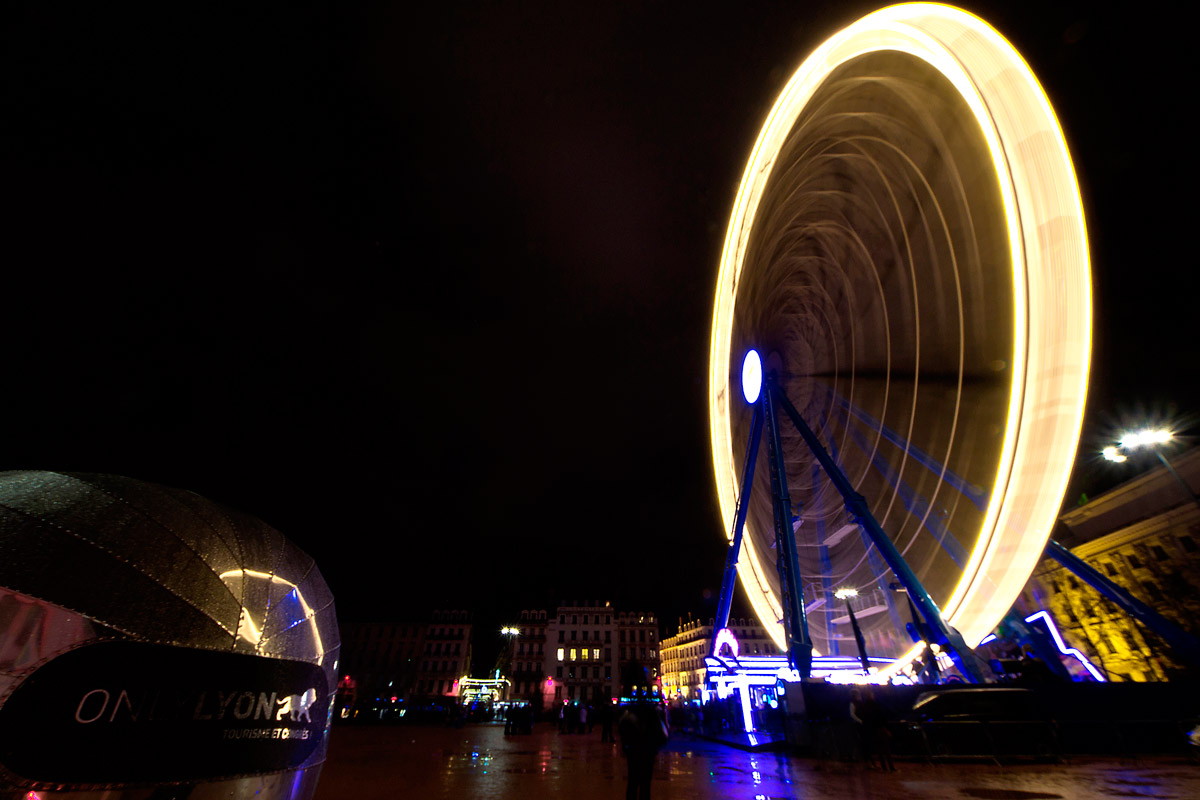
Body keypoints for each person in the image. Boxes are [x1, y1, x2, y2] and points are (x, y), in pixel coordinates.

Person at [619, 700, 669, 800]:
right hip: (648, 753)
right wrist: (654, 747)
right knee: (645, 784)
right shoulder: (653, 716)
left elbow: (622, 732)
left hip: (633, 753)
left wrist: (626, 747)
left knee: (632, 783)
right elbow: (663, 736)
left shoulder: (629, 717)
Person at [849, 686, 894, 771]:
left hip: (869, 727)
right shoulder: (868, 704)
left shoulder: (863, 704)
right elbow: (853, 714)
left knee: (877, 748)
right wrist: (860, 721)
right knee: (884, 748)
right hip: (868, 727)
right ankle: (886, 766)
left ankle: (881, 765)